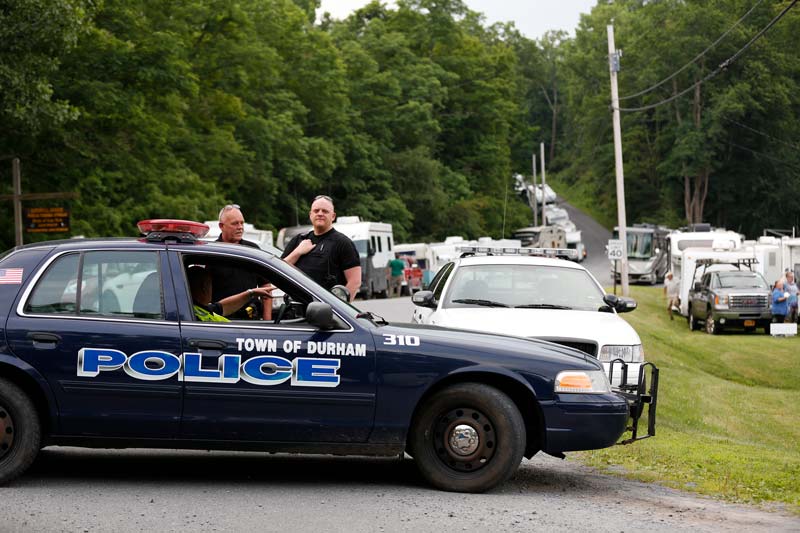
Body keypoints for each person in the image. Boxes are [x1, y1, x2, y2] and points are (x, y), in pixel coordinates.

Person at [281, 195, 361, 301]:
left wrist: (339, 310)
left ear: (333, 216)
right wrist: (297, 252)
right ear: (310, 215)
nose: (320, 214)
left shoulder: (343, 243)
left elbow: (355, 282)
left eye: (325, 211)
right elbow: (280, 270)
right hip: (297, 308)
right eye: (316, 210)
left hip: (326, 311)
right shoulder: (298, 240)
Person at [211, 204, 264, 319]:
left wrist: (269, 322)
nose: (240, 227)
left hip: (252, 320)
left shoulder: (253, 250)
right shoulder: (211, 253)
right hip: (222, 320)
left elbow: (265, 286)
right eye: (235, 223)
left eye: (242, 223)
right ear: (221, 226)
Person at [188, 267, 272, 322]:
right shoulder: (197, 316)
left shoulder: (193, 309)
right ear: (204, 287)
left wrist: (251, 293)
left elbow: (224, 306)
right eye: (211, 283)